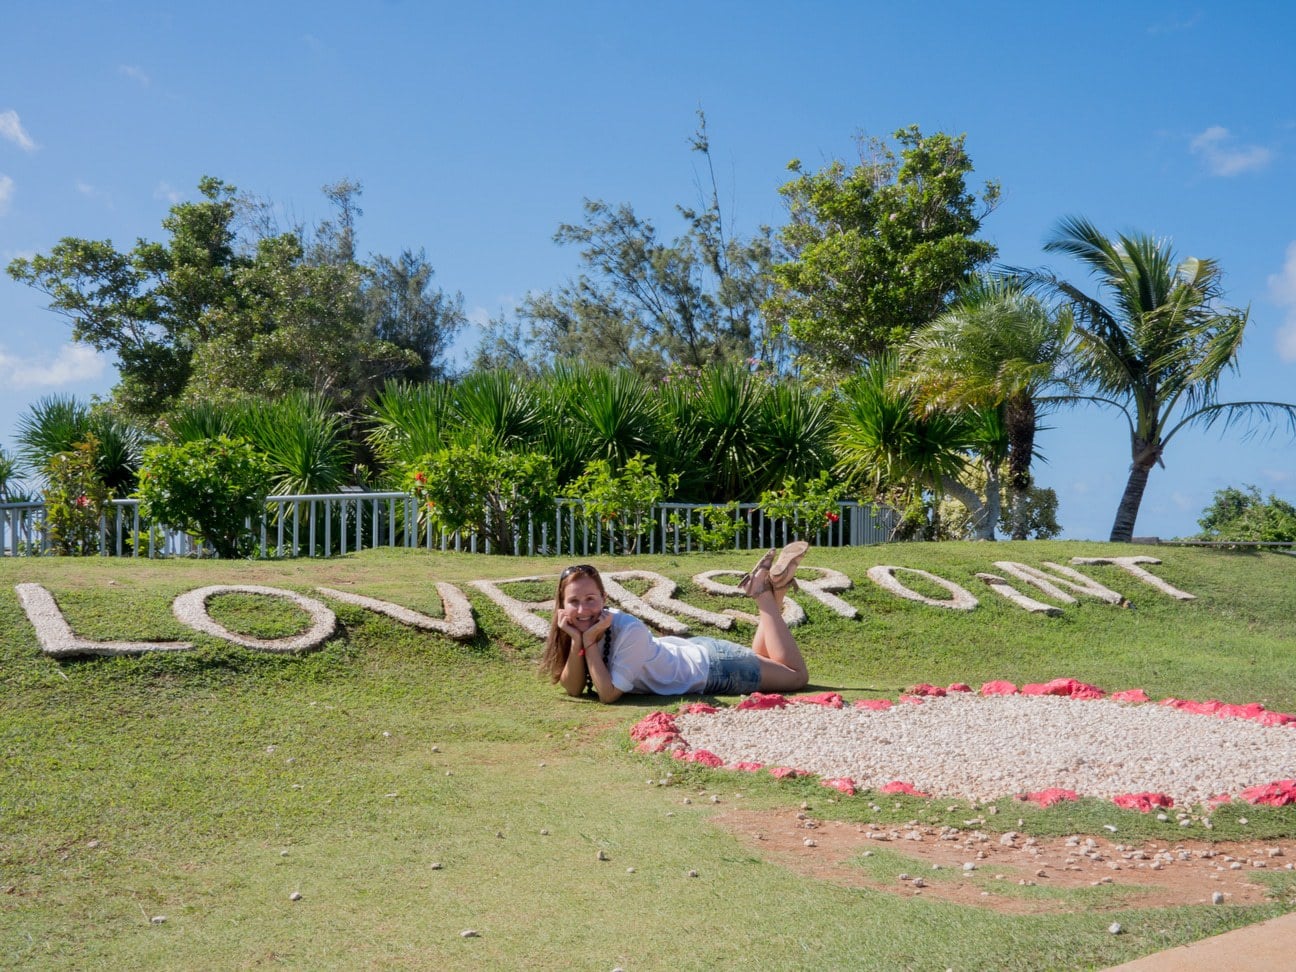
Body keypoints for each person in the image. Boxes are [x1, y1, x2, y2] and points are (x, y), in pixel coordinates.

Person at [538, 542, 811, 702]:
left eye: (590, 599)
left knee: (796, 677)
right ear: (561, 605)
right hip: (699, 655)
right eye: (573, 602)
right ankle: (776, 589)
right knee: (767, 658)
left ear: (604, 598)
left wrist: (588, 640)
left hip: (714, 669)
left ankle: (763, 594)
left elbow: (608, 694)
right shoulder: (579, 630)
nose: (583, 609)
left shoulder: (627, 629)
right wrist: (577, 641)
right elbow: (573, 688)